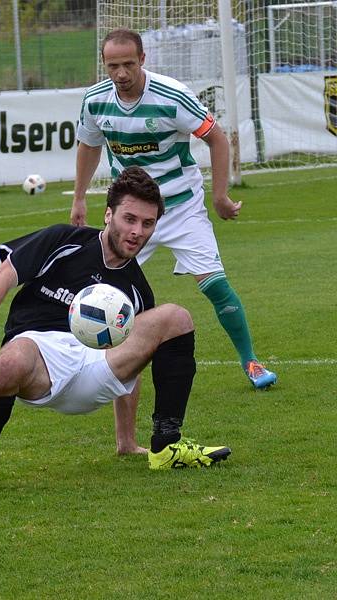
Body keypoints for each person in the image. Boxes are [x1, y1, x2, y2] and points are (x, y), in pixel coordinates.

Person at [0, 166, 231, 496]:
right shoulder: (63, 241)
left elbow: (134, 364)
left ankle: (166, 446)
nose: (137, 231)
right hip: (40, 357)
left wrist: (126, 441)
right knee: (9, 362)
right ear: (108, 214)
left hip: (95, 369)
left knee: (175, 317)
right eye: (129, 219)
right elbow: (3, 277)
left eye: (147, 223)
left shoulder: (135, 290)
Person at [72, 28, 276, 391]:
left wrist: (219, 196)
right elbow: (88, 146)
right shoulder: (94, 100)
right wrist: (79, 197)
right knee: (97, 286)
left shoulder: (172, 95)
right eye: (113, 65)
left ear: (143, 60)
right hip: (130, 212)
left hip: (180, 205)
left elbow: (216, 137)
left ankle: (251, 362)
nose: (121, 73)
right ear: (104, 64)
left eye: (129, 64)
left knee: (214, 285)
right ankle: (76, 364)